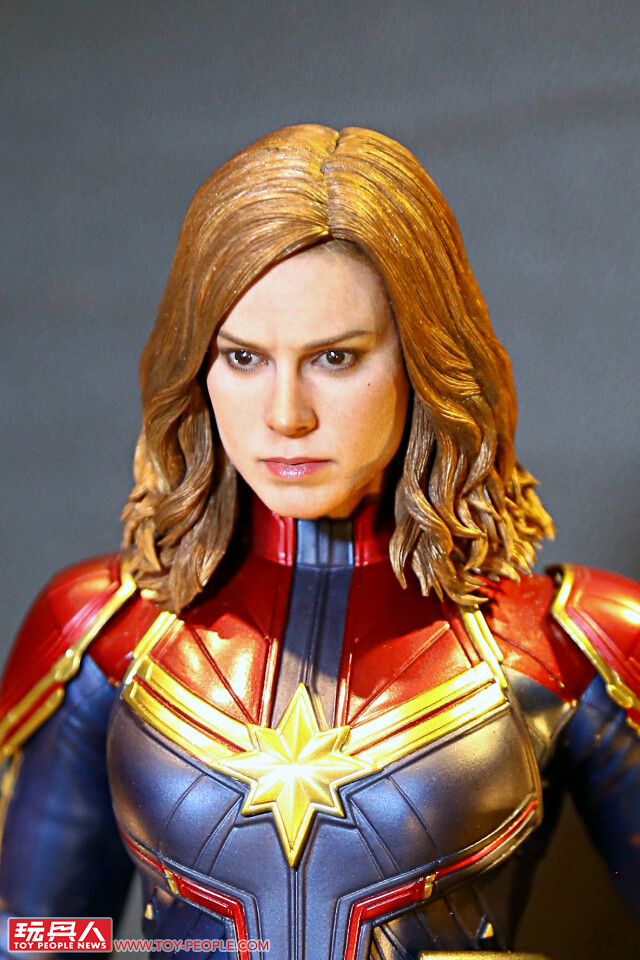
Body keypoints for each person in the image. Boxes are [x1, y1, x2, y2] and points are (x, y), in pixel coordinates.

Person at [0, 125, 638, 959]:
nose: (285, 415)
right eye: (243, 357)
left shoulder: (573, 643)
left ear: (425, 358)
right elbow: (34, 936)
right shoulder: (102, 634)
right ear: (198, 367)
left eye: (335, 357)